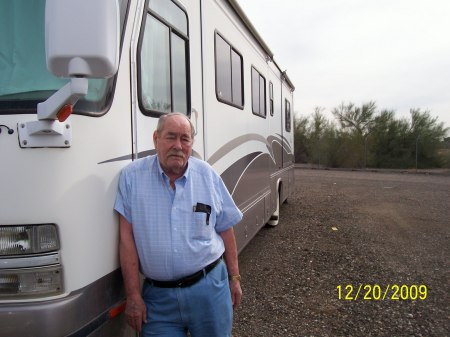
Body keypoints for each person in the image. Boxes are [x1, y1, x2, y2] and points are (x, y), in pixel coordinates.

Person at [114, 112, 243, 337]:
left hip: (209, 290)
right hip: (158, 301)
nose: (178, 145)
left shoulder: (207, 176)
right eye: (170, 137)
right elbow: (127, 241)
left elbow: (226, 229)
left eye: (185, 139)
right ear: (156, 139)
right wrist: (133, 296)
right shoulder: (132, 178)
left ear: (192, 143)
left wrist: (234, 278)